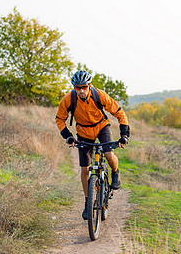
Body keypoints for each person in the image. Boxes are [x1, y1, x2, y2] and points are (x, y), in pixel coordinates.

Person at [55, 70, 130, 220]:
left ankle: (115, 172)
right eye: (78, 87)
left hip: (102, 127)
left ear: (89, 85)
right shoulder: (69, 99)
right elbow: (59, 119)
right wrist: (68, 137)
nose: (81, 90)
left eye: (84, 87)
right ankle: (87, 201)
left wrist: (124, 136)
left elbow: (120, 113)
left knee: (109, 154)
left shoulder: (99, 95)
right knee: (85, 169)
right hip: (83, 131)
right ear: (74, 87)